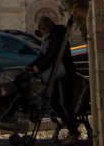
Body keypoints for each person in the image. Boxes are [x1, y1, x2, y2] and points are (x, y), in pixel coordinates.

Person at [24, 15, 78, 145]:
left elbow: (53, 56)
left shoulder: (58, 36)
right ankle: (71, 129)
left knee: (65, 103)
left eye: (44, 29)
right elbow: (43, 55)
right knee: (53, 102)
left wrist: (39, 68)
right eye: (41, 30)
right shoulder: (48, 38)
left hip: (65, 73)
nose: (43, 32)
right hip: (58, 74)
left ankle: (73, 133)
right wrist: (31, 66)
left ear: (48, 27)